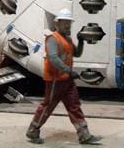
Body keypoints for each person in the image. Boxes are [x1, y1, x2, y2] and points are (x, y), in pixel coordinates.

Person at [26, 8, 101, 145]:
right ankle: (33, 130)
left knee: (74, 105)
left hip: (67, 80)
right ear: (57, 24)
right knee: (48, 106)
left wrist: (81, 41)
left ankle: (84, 134)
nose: (68, 26)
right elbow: (53, 58)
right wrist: (68, 70)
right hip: (55, 80)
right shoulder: (52, 39)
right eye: (65, 23)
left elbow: (76, 54)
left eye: (69, 23)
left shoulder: (68, 39)